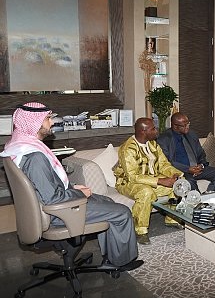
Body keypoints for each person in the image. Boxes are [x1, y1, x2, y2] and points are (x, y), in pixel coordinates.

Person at [0, 102, 140, 269]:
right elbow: (53, 199)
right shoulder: (34, 157)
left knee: (107, 201)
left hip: (51, 205)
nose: (52, 122)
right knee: (123, 212)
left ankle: (110, 257)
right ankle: (121, 263)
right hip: (58, 212)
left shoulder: (19, 146)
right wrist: (81, 194)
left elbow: (46, 185)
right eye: (47, 119)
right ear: (34, 123)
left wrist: (73, 187)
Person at [115, 117, 184, 245]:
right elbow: (132, 176)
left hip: (151, 178)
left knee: (178, 184)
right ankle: (140, 231)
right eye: (153, 128)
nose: (156, 131)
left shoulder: (153, 144)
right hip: (128, 182)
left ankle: (172, 219)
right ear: (143, 131)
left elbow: (164, 164)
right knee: (146, 192)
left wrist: (175, 174)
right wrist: (160, 181)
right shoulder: (127, 149)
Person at [157, 112, 215, 193]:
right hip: (181, 171)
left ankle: (209, 197)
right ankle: (198, 201)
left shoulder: (191, 135)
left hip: (197, 169)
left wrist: (201, 165)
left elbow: (201, 154)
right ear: (175, 126)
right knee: (188, 182)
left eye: (188, 124)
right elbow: (167, 162)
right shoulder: (164, 139)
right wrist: (188, 169)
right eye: (184, 125)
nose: (187, 127)